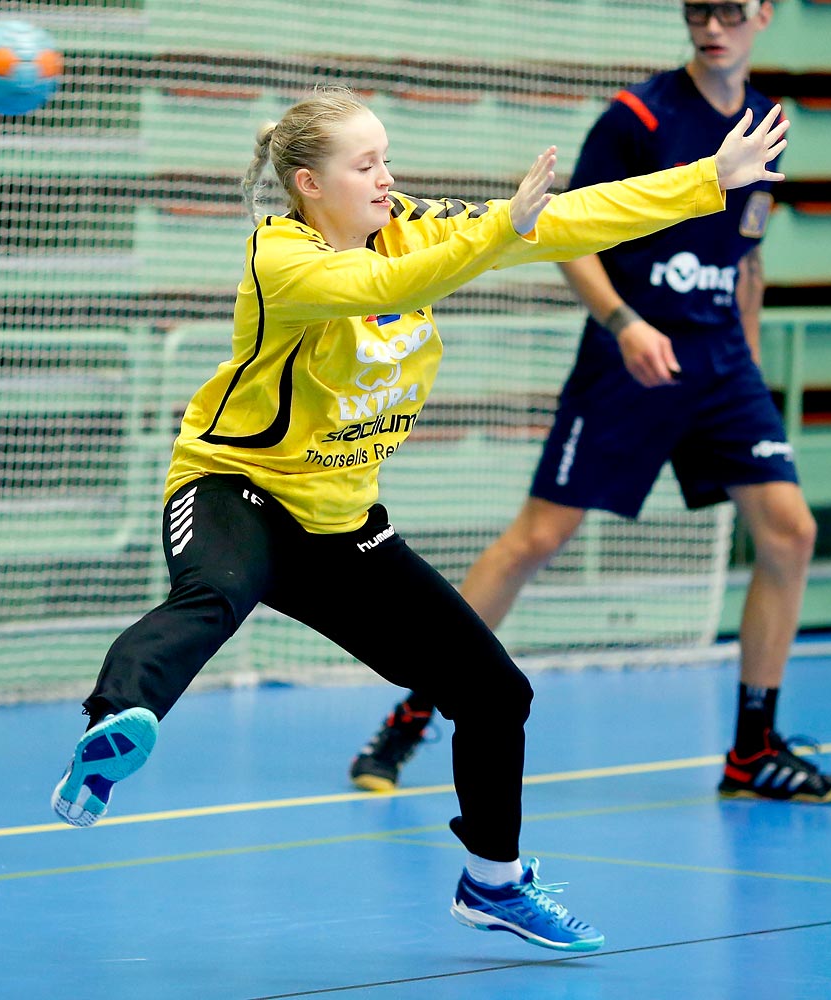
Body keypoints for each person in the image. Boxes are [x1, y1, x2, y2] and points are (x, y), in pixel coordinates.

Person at [50, 84, 789, 952]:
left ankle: (494, 884)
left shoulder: (416, 222)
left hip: (340, 521)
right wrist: (498, 232)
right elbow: (391, 281)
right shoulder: (280, 258)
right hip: (234, 486)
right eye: (364, 166)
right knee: (217, 590)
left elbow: (576, 219)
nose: (386, 178)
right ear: (308, 186)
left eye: (387, 159)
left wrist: (707, 177)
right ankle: (116, 724)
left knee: (494, 694)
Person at [349, 0, 831, 806]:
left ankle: (751, 751)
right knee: (537, 539)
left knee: (791, 532)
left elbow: (748, 257)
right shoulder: (637, 117)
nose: (710, 26)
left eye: (728, 10)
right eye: (697, 10)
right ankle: (414, 710)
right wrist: (622, 322)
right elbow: (565, 232)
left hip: (721, 360)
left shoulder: (765, 121)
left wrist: (748, 369)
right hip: (629, 354)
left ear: (761, 14)